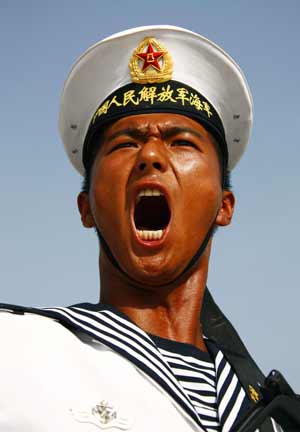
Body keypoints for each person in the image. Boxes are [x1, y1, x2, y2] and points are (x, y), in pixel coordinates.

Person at [0, 25, 285, 431]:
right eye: (125, 144)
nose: (151, 155)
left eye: (181, 141)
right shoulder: (15, 353)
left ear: (224, 206)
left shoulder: (271, 414)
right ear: (86, 208)